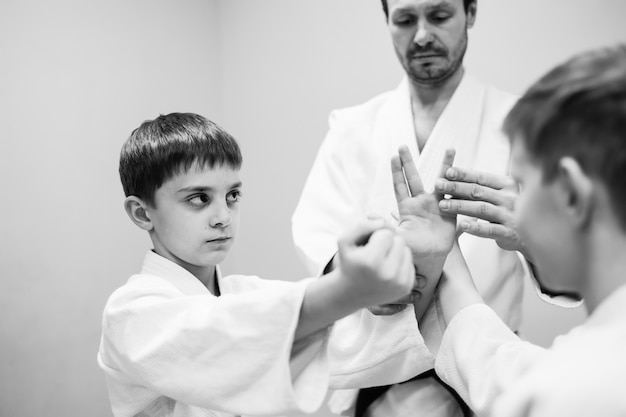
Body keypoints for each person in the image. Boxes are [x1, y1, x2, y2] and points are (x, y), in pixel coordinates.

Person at [292, 0, 545, 415]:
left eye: (440, 15)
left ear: (472, 13)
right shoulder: (353, 128)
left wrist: (533, 240)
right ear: (387, 23)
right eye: (406, 20)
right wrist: (363, 279)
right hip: (373, 374)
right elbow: (317, 235)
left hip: (481, 373)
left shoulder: (523, 124)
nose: (423, 34)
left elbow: (572, 263)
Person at [96, 113, 418, 417]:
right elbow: (218, 339)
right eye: (199, 199)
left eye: (232, 195)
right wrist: (346, 290)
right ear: (142, 213)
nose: (223, 217)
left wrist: (425, 266)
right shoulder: (129, 314)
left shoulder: (245, 294)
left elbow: (351, 341)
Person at [397, 44, 626, 416]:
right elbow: (503, 370)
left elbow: (529, 390)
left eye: (520, 184)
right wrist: (446, 257)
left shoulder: (575, 390)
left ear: (571, 194)